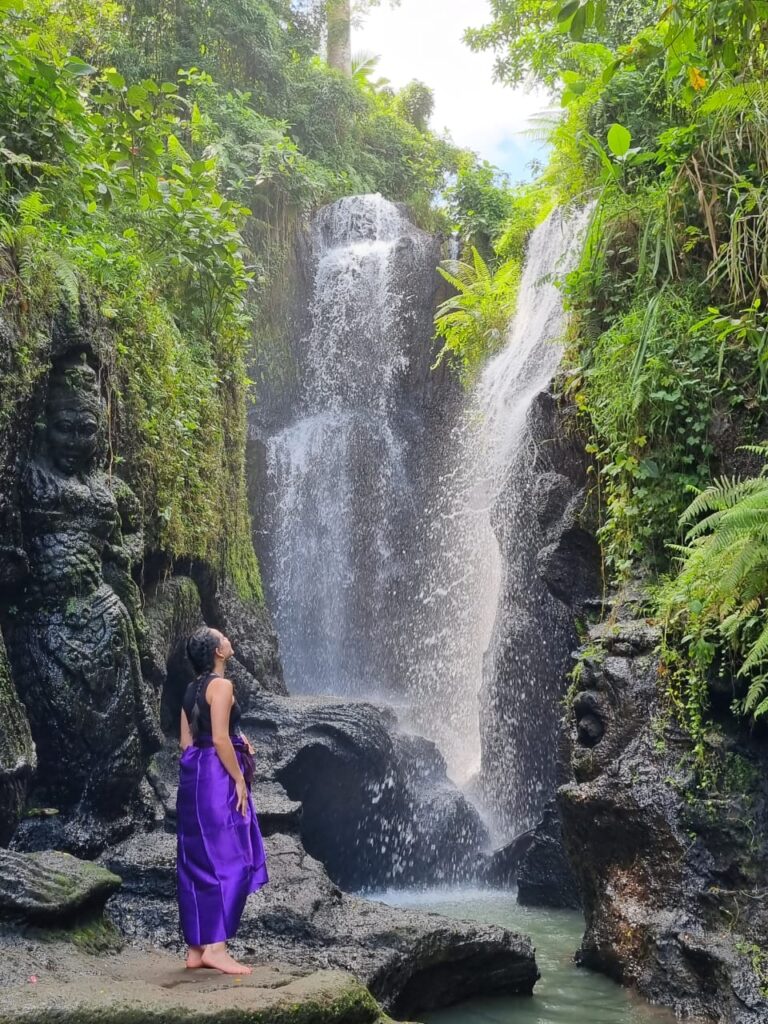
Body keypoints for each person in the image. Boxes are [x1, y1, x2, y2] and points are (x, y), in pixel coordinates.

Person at [177, 626, 268, 975]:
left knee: (196, 860)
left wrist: (238, 738)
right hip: (217, 775)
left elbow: (186, 742)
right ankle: (217, 947)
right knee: (234, 858)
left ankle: (196, 948)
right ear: (217, 650)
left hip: (193, 776)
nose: (229, 638)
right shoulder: (223, 686)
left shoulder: (190, 690)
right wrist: (239, 779)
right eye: (222, 637)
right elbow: (218, 738)